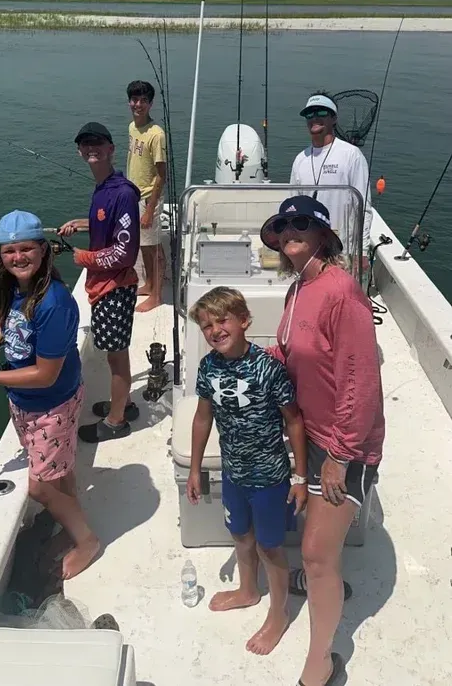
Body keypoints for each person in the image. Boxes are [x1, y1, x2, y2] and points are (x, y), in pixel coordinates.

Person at [260, 195, 385, 686]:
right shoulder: (298, 289)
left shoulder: (340, 291)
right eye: (282, 224)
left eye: (301, 223)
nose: (290, 230)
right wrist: (244, 352)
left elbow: (360, 379)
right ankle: (321, 579)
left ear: (322, 235)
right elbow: (292, 350)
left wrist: (340, 454)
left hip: (343, 444)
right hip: (309, 433)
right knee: (315, 541)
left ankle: (324, 659)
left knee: (313, 551)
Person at [0, 210, 99, 580]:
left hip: (52, 404)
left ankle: (86, 542)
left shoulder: (55, 302)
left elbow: (47, 374)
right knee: (59, 474)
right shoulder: (19, 288)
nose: (18, 257)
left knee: (40, 488)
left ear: (44, 251)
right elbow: (10, 320)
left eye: (26, 249)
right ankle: (71, 526)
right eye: (9, 251)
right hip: (26, 402)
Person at [186, 286, 308, 656]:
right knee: (240, 536)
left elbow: (295, 422)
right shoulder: (208, 366)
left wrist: (300, 477)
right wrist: (194, 469)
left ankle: (278, 614)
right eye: (206, 325)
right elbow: (202, 417)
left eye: (222, 320)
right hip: (233, 474)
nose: (215, 330)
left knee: (270, 547)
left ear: (244, 321)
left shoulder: (269, 368)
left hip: (269, 479)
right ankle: (248, 590)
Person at [59, 121, 141, 444]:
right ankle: (127, 402)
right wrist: (83, 223)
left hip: (115, 288)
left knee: (117, 356)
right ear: (80, 151)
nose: (91, 147)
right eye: (85, 143)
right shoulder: (105, 187)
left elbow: (124, 252)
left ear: (111, 149)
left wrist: (83, 258)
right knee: (114, 354)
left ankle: (116, 420)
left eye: (97, 143)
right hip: (106, 287)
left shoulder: (121, 193)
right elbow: (105, 224)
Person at [290, 92, 372, 271]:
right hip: (309, 249)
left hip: (342, 251)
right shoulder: (300, 159)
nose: (314, 118)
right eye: (309, 114)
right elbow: (293, 208)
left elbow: (363, 206)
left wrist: (362, 250)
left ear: (333, 118)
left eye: (321, 113)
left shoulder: (351, 155)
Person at [126, 80, 167, 313]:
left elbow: (162, 174)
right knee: (143, 244)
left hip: (149, 198)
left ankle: (157, 296)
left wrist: (150, 209)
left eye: (143, 100)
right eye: (134, 99)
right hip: (133, 195)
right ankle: (149, 284)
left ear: (150, 104)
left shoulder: (156, 134)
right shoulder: (132, 127)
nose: (138, 104)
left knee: (154, 248)